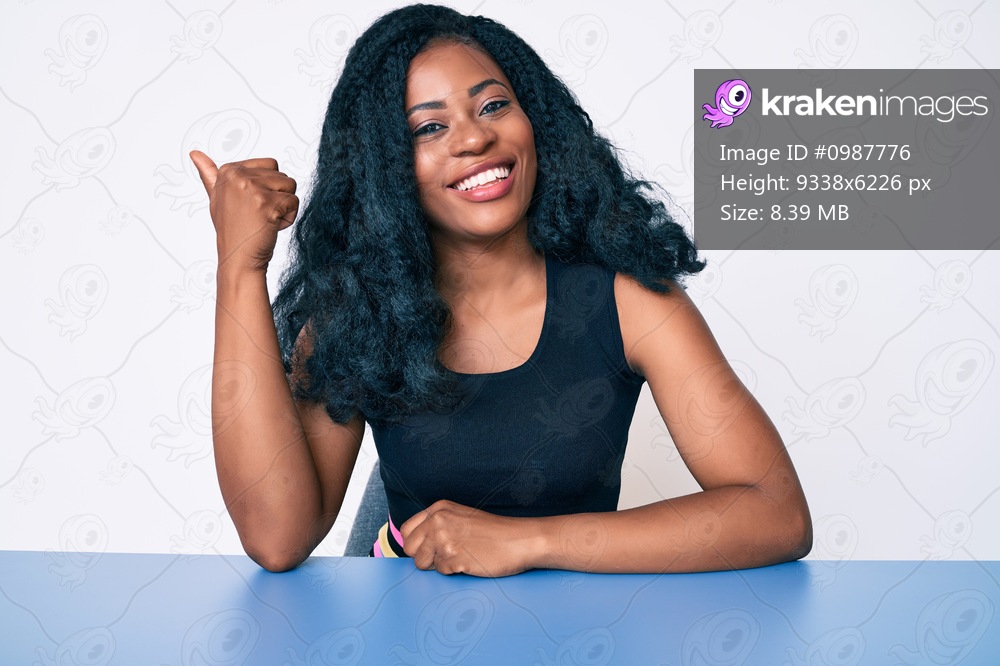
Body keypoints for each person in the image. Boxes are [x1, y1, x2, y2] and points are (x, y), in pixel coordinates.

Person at [190, 4, 811, 577]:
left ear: (534, 120)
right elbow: (278, 538)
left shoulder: (630, 299)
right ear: (386, 168)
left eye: (492, 107)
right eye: (428, 128)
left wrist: (529, 541)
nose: (472, 138)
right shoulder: (358, 314)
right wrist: (240, 267)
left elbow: (776, 513)